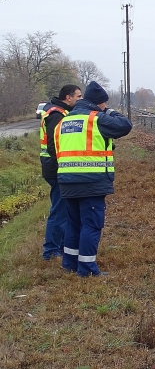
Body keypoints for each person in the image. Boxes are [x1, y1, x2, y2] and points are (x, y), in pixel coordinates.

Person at [54, 81, 132, 277]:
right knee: (91, 225)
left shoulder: (63, 122)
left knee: (73, 224)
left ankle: (70, 263)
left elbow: (57, 150)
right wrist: (111, 112)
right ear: (99, 103)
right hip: (91, 182)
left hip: (66, 182)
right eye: (104, 104)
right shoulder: (96, 119)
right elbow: (125, 126)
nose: (105, 107)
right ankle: (87, 269)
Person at [39, 84, 82, 260]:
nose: (80, 99)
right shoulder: (57, 114)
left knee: (63, 208)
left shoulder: (60, 112)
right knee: (59, 210)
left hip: (54, 166)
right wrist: (66, 165)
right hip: (55, 168)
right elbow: (53, 145)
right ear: (68, 97)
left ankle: (61, 247)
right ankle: (51, 251)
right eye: (78, 96)